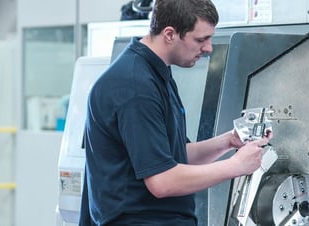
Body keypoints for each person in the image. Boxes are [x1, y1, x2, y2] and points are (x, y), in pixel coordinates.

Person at [79, 0, 270, 225]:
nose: (209, 48)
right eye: (201, 39)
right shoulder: (135, 87)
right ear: (170, 34)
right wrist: (235, 166)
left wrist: (228, 141)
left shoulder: (156, 74)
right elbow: (162, 181)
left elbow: (173, 155)